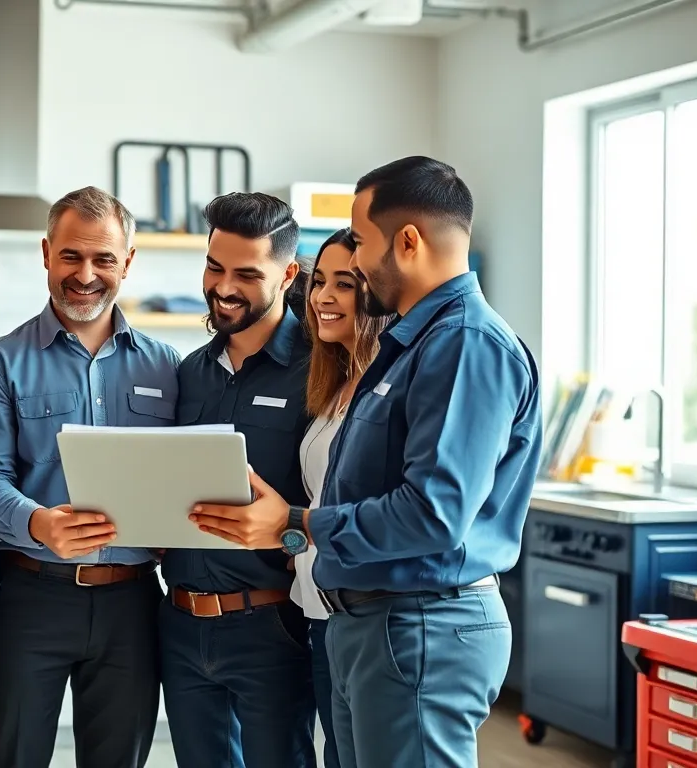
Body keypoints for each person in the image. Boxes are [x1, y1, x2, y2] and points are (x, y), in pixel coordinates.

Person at [189, 156, 543, 768]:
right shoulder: (412, 344)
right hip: (371, 621)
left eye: (359, 240)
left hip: (423, 621)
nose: (352, 259)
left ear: (406, 242)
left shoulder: (464, 344)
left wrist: (295, 523)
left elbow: (433, 515)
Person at [0, 186, 181, 768]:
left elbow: (183, 472)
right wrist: (37, 522)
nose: (85, 274)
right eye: (71, 256)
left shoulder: (168, 365)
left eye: (104, 259)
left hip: (132, 603)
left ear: (128, 263)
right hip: (30, 595)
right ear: (45, 253)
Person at [159, 192, 316, 768]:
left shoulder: (319, 372)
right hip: (179, 623)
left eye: (247, 275)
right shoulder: (188, 373)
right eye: (214, 267)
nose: (224, 287)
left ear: (289, 273)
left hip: (271, 626)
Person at [292, 226, 392, 768]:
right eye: (319, 282)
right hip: (319, 608)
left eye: (345, 284)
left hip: (361, 612)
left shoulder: (387, 385)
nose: (323, 297)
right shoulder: (335, 383)